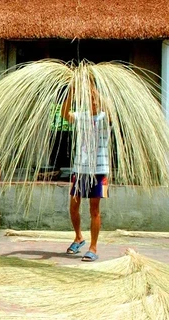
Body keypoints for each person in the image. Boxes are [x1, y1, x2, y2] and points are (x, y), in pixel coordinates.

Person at [61, 77, 110, 262]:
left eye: (96, 99)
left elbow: (112, 111)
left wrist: (96, 90)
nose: (94, 102)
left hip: (100, 171)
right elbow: (65, 114)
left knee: (95, 209)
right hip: (79, 170)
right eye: (90, 99)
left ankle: (93, 247)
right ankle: (79, 237)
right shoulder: (81, 117)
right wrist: (72, 91)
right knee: (73, 207)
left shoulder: (105, 118)